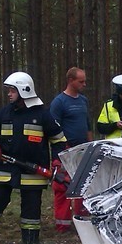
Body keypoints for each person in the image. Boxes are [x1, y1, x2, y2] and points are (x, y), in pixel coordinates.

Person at [0, 71, 67, 244]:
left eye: (12, 90)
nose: (9, 94)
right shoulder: (4, 113)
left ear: (24, 90)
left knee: (31, 208)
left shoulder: (42, 115)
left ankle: (30, 242)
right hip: (4, 169)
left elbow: (59, 141)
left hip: (32, 172)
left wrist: (57, 162)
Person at [49, 66, 93, 232]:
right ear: (70, 81)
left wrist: (90, 144)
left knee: (84, 183)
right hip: (66, 150)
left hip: (83, 148)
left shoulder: (83, 100)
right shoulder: (59, 102)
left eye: (84, 81)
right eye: (81, 81)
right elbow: (54, 129)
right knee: (63, 187)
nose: (84, 84)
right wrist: (57, 154)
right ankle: (63, 224)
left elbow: (87, 124)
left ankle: (82, 218)